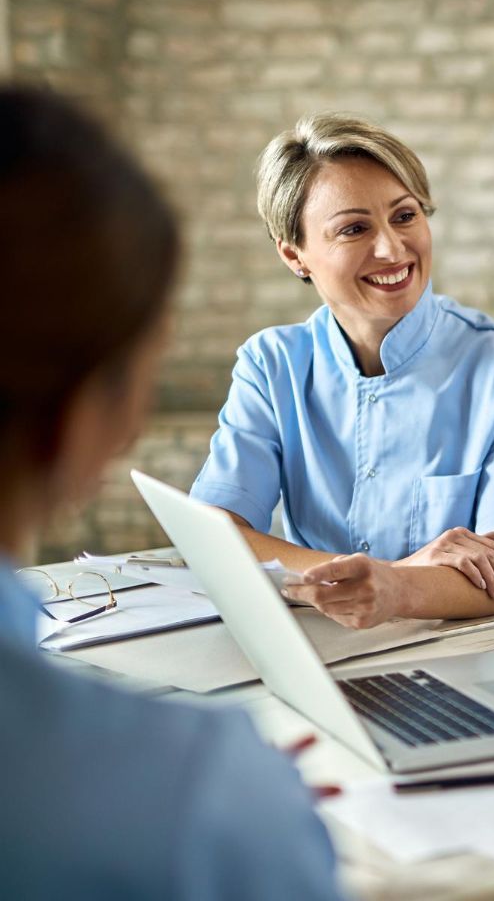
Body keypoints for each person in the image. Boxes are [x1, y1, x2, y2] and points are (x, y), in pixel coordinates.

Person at [0, 87, 342, 899]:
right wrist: (241, 801)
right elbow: (218, 522)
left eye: (407, 215)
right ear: (98, 412)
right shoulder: (197, 797)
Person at [192, 113, 494, 629]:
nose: (392, 248)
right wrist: (392, 575)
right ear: (294, 254)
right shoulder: (271, 364)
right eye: (353, 228)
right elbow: (215, 535)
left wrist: (394, 588)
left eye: (406, 216)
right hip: (326, 649)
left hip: (483, 656)